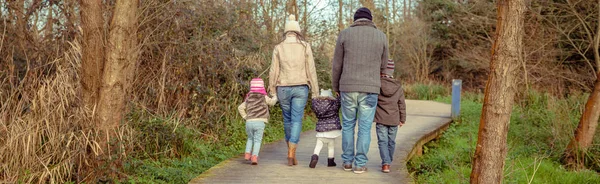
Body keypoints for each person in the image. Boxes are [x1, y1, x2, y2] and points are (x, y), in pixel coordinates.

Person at [331, 7, 389, 174]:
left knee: (348, 125)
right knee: (364, 127)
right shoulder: (381, 36)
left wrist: (336, 86)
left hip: (347, 87)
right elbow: (385, 66)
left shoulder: (345, 34)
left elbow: (337, 65)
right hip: (370, 89)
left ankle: (347, 162)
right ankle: (360, 164)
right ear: (370, 20)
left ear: (355, 19)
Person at [268, 15, 319, 166]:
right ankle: (292, 152)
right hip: (301, 87)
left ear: (286, 32)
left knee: (287, 120)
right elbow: (311, 70)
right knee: (296, 120)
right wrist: (315, 92)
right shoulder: (305, 46)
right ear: (298, 31)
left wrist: (272, 89)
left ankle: (290, 153)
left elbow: (273, 71)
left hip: (283, 87)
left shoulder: (278, 47)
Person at [374, 59, 406, 173]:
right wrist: (402, 119)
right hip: (394, 119)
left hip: (381, 118)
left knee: (382, 141)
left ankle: (386, 164)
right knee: (391, 141)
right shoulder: (398, 86)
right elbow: (401, 104)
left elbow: (372, 101)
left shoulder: (376, 84)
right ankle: (388, 161)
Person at [238, 78, 278, 165]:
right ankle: (254, 157)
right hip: (260, 121)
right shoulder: (264, 97)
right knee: (257, 140)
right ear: (262, 87)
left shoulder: (248, 98)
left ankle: (247, 154)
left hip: (249, 122)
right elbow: (271, 103)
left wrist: (245, 117)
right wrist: (275, 97)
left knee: (250, 138)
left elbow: (240, 107)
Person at [309, 89, 342, 168]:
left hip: (321, 130)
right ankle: (331, 161)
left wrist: (314, 96)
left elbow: (313, 102)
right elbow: (339, 102)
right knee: (331, 146)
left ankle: (315, 157)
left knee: (318, 146)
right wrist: (338, 95)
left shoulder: (316, 104)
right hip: (332, 129)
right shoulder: (334, 103)